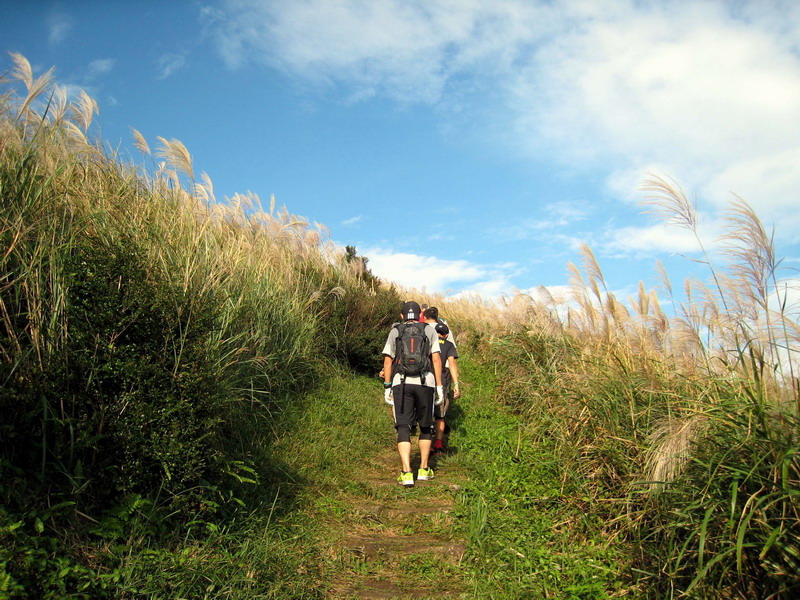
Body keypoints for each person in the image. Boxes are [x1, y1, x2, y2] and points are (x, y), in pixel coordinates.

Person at [382, 301, 443, 487]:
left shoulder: (396, 331)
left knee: (403, 426)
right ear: (420, 315)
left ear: (402, 316)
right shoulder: (428, 330)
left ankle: (407, 472)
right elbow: (436, 359)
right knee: (425, 426)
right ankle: (424, 469)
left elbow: (387, 361)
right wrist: (439, 386)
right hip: (426, 383)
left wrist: (387, 386)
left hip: (401, 383)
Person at [432, 322, 460, 456]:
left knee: (427, 412)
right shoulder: (449, 345)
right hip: (442, 381)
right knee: (440, 414)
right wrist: (456, 384)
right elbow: (452, 365)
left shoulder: (428, 342)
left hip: (427, 380)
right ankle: (438, 444)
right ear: (447, 335)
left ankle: (425, 440)